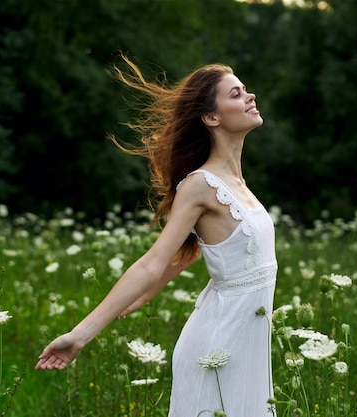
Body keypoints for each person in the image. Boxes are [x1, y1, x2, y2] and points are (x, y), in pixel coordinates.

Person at [35, 55, 277, 417]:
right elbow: (153, 261)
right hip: (217, 347)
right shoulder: (199, 185)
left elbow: (197, 251)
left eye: (245, 91)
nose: (250, 96)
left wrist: (148, 295)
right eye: (237, 93)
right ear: (211, 117)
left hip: (248, 344)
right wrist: (81, 335)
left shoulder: (238, 185)